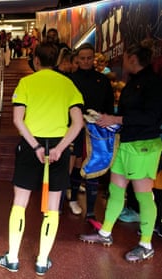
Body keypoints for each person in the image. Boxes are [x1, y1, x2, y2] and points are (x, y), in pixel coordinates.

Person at [0, 42, 83, 275]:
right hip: (58, 147)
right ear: (56, 61)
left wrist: (35, 146)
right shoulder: (67, 83)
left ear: (35, 60)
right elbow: (78, 123)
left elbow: (17, 119)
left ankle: (12, 258)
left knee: (20, 202)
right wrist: (60, 148)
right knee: (52, 207)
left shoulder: (26, 82)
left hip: (29, 145)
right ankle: (42, 262)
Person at [79, 39, 162, 262]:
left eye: (125, 58)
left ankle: (146, 244)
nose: (123, 61)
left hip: (144, 146)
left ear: (133, 59)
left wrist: (115, 118)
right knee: (116, 190)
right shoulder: (133, 82)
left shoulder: (153, 84)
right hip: (124, 144)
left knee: (144, 196)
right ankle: (105, 232)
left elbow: (151, 117)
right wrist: (104, 119)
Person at [68, 43, 114, 220]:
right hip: (76, 128)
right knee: (76, 163)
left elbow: (109, 106)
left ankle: (92, 210)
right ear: (77, 60)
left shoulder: (103, 80)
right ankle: (72, 198)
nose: (86, 61)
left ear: (93, 58)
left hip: (98, 130)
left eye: (89, 58)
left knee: (95, 165)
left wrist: (104, 121)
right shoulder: (71, 80)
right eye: (82, 58)